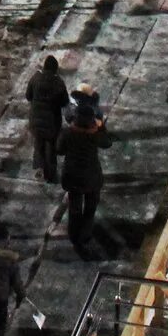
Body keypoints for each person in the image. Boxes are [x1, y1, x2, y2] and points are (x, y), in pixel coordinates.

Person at [58, 88, 117, 259]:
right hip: (91, 177)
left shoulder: (68, 133)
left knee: (74, 207)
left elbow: (59, 150)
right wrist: (102, 127)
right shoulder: (95, 135)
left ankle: (73, 234)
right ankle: (85, 235)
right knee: (90, 208)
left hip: (72, 177)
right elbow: (107, 143)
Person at [25, 56, 68, 182]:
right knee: (51, 146)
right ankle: (51, 174)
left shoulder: (35, 78)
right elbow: (64, 102)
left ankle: (39, 168)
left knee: (38, 143)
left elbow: (28, 96)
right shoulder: (58, 82)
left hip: (35, 119)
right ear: (55, 69)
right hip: (52, 121)